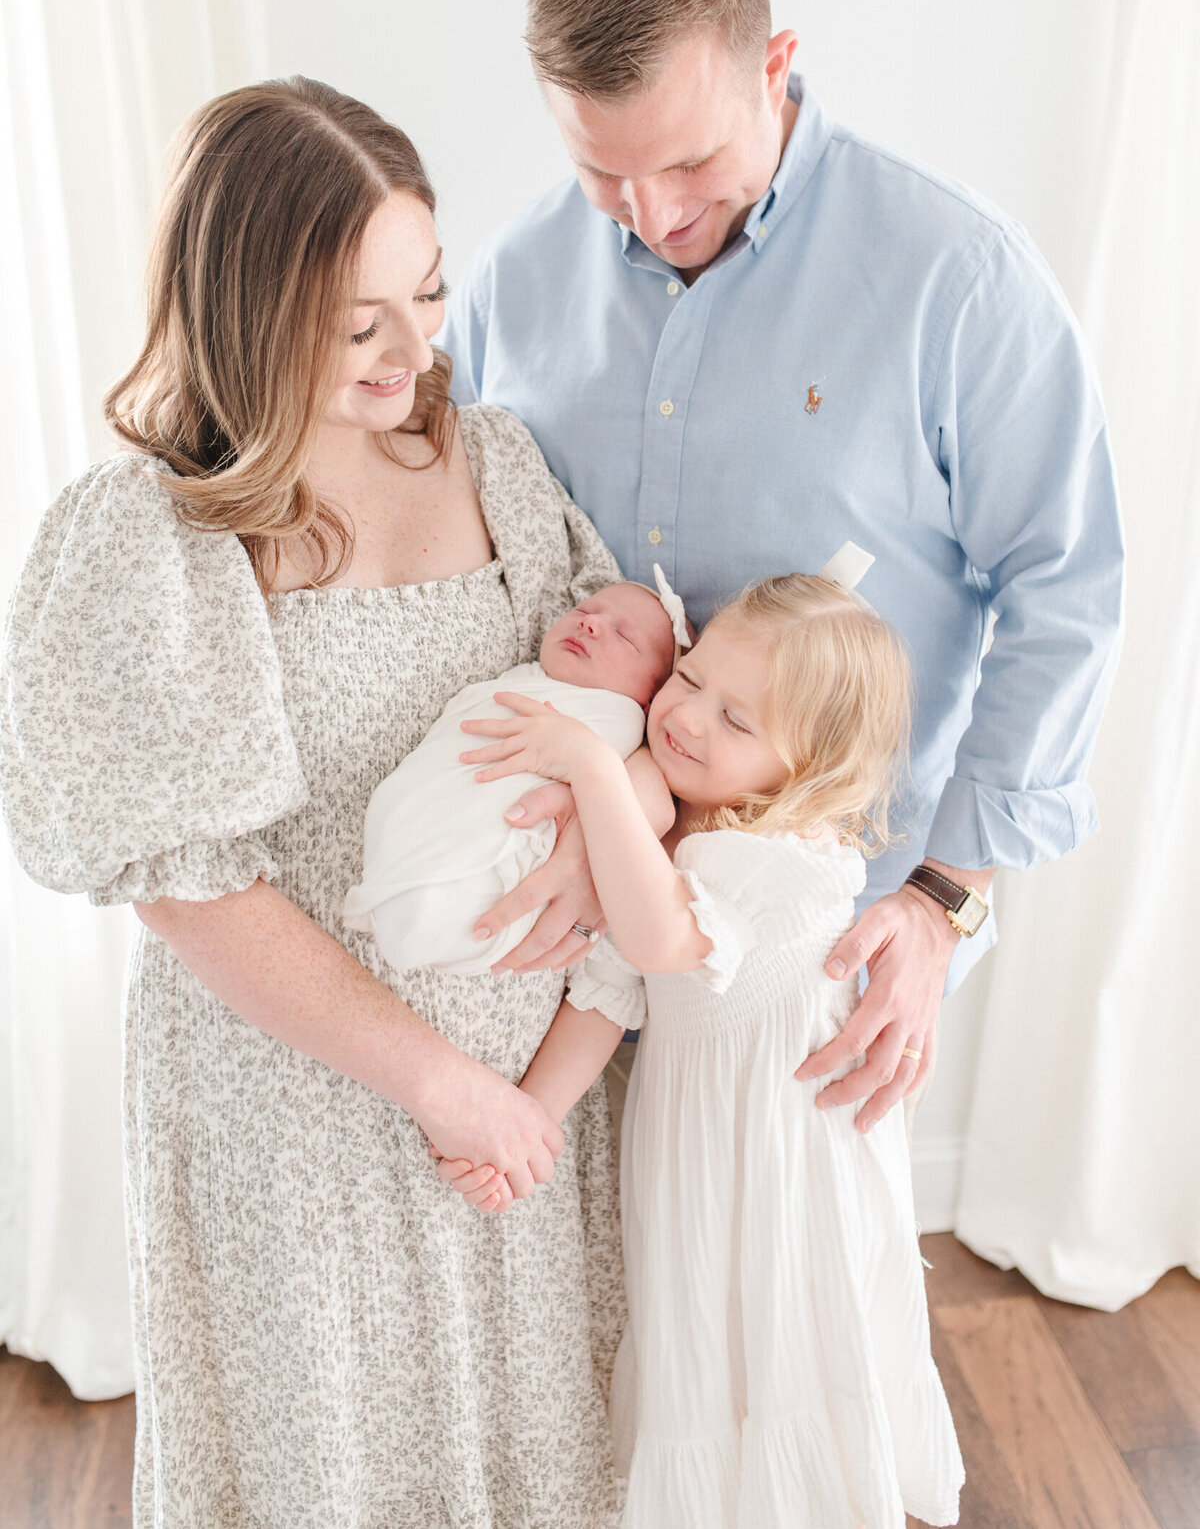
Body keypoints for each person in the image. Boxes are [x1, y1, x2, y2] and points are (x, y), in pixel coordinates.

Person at [0, 77, 635, 1528]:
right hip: (296, 1123)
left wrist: (551, 1015)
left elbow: (612, 712)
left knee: (538, 1454)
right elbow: (191, 886)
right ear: (245, 307)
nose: (417, 354)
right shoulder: (154, 535)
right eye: (364, 326)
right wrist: (439, 1079)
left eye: (429, 294)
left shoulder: (502, 469)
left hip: (520, 1126)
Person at [442, 0, 1124, 1128]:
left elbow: (1065, 587)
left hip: (816, 963)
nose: (656, 216)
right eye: (603, 171)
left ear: (777, 66)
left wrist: (943, 897)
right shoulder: (513, 281)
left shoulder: (957, 278)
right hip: (554, 944)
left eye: (692, 159)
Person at [442, 569, 966, 1526]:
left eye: (738, 721)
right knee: (709, 1367)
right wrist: (530, 1118)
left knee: (788, 1361)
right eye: (691, 683)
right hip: (702, 1164)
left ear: (805, 772)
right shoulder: (688, 827)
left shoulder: (783, 860)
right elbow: (608, 991)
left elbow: (654, 941)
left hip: (782, 1169)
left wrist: (599, 770)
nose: (688, 720)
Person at [343, 578, 677, 974]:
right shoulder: (519, 679)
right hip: (427, 825)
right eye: (584, 611)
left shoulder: (619, 719)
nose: (591, 624)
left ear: (651, 700)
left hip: (502, 896)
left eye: (624, 636)